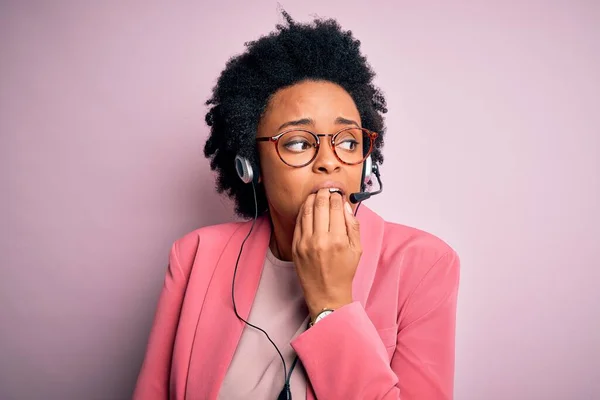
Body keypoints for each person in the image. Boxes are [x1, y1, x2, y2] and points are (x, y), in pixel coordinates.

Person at [134, 10, 460, 400]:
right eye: (299, 143)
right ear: (250, 165)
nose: (329, 160)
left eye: (348, 141)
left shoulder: (424, 265)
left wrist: (331, 304)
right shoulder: (194, 257)